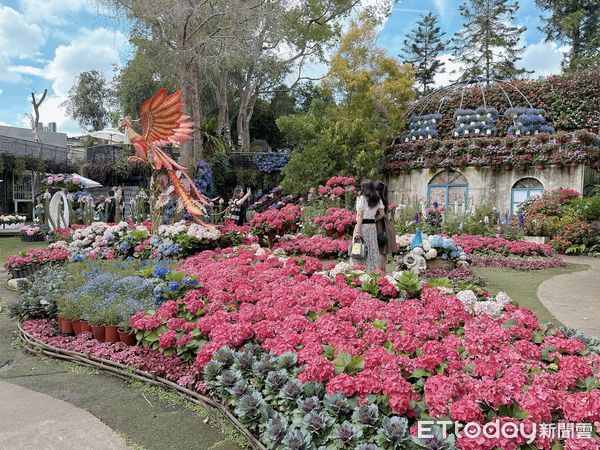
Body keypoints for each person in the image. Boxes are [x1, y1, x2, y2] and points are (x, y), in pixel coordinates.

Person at [351, 180, 384, 271]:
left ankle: (359, 269)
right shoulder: (377, 198)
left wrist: (357, 231)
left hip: (362, 226)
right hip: (372, 226)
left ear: (363, 188)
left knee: (359, 247)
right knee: (371, 248)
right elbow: (382, 214)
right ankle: (372, 269)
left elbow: (360, 215)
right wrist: (373, 219)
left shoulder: (362, 199)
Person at [374, 180, 398, 270]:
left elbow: (381, 214)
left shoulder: (377, 199)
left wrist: (372, 220)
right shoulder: (383, 198)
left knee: (381, 250)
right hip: (386, 226)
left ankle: (381, 272)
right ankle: (382, 272)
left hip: (380, 225)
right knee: (382, 251)